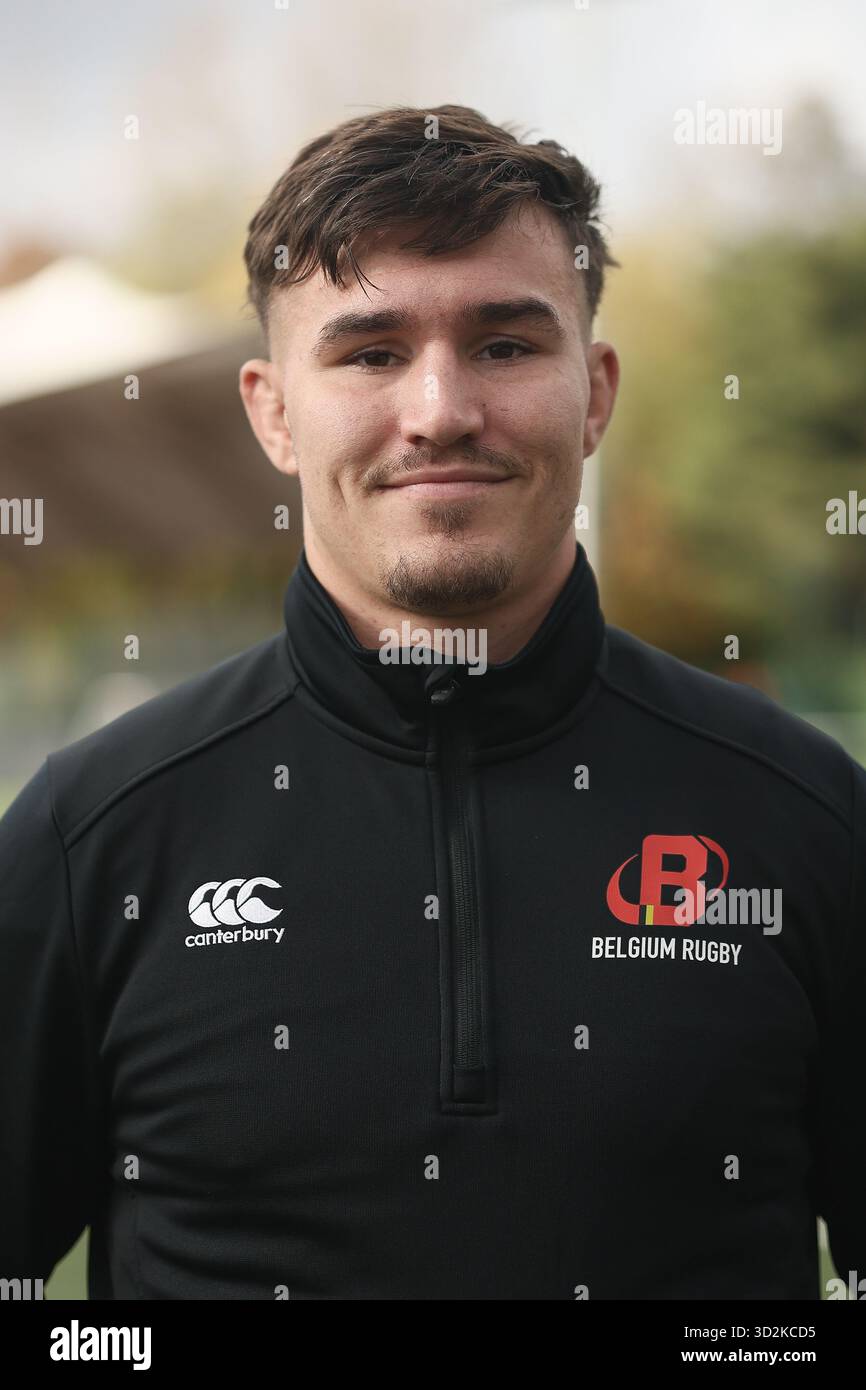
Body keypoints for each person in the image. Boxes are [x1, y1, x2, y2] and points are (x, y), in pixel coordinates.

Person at [1, 104, 863, 1301]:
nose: (439, 410)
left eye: (506, 344)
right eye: (367, 353)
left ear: (595, 390)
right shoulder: (90, 836)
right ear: (272, 411)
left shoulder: (810, 820)